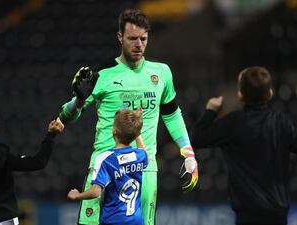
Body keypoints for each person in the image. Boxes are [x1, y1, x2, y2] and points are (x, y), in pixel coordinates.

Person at [58, 9, 198, 225]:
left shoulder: (161, 73)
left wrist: (189, 154)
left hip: (144, 170)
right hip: (104, 169)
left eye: (143, 38)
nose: (139, 44)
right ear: (120, 37)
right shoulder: (101, 74)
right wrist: (77, 100)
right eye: (133, 38)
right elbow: (66, 118)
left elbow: (172, 114)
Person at [191, 66, 297, 225]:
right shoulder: (281, 123)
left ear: (240, 95)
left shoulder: (232, 123)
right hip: (277, 215)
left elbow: (196, 139)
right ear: (269, 93)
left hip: (248, 216)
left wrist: (210, 111)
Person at [67, 108, 148, 225]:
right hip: (136, 220)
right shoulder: (139, 155)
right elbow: (146, 156)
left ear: (114, 131)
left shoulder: (106, 159)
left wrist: (77, 196)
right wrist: (136, 131)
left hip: (113, 220)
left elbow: (95, 192)